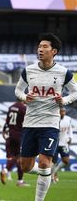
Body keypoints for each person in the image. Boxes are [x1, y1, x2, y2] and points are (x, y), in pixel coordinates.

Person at [15, 33, 77, 201]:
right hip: (30, 123)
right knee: (26, 166)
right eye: (39, 46)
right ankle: (47, 174)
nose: (40, 49)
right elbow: (18, 90)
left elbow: (75, 92)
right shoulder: (29, 70)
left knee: (44, 162)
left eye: (44, 47)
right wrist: (24, 97)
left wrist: (63, 100)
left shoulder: (64, 73)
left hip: (50, 123)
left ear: (54, 51)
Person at [0, 100, 29, 187]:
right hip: (19, 135)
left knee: (15, 157)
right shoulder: (23, 108)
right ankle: (7, 171)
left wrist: (5, 133)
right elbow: (27, 121)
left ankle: (19, 180)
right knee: (19, 158)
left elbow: (7, 122)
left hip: (10, 135)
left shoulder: (11, 107)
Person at [51, 107, 73, 183]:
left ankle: (54, 173)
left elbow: (70, 129)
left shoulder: (68, 119)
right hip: (55, 143)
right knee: (53, 161)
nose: (62, 113)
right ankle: (52, 176)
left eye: (64, 111)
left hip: (64, 143)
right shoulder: (54, 119)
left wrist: (70, 137)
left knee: (66, 161)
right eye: (61, 111)